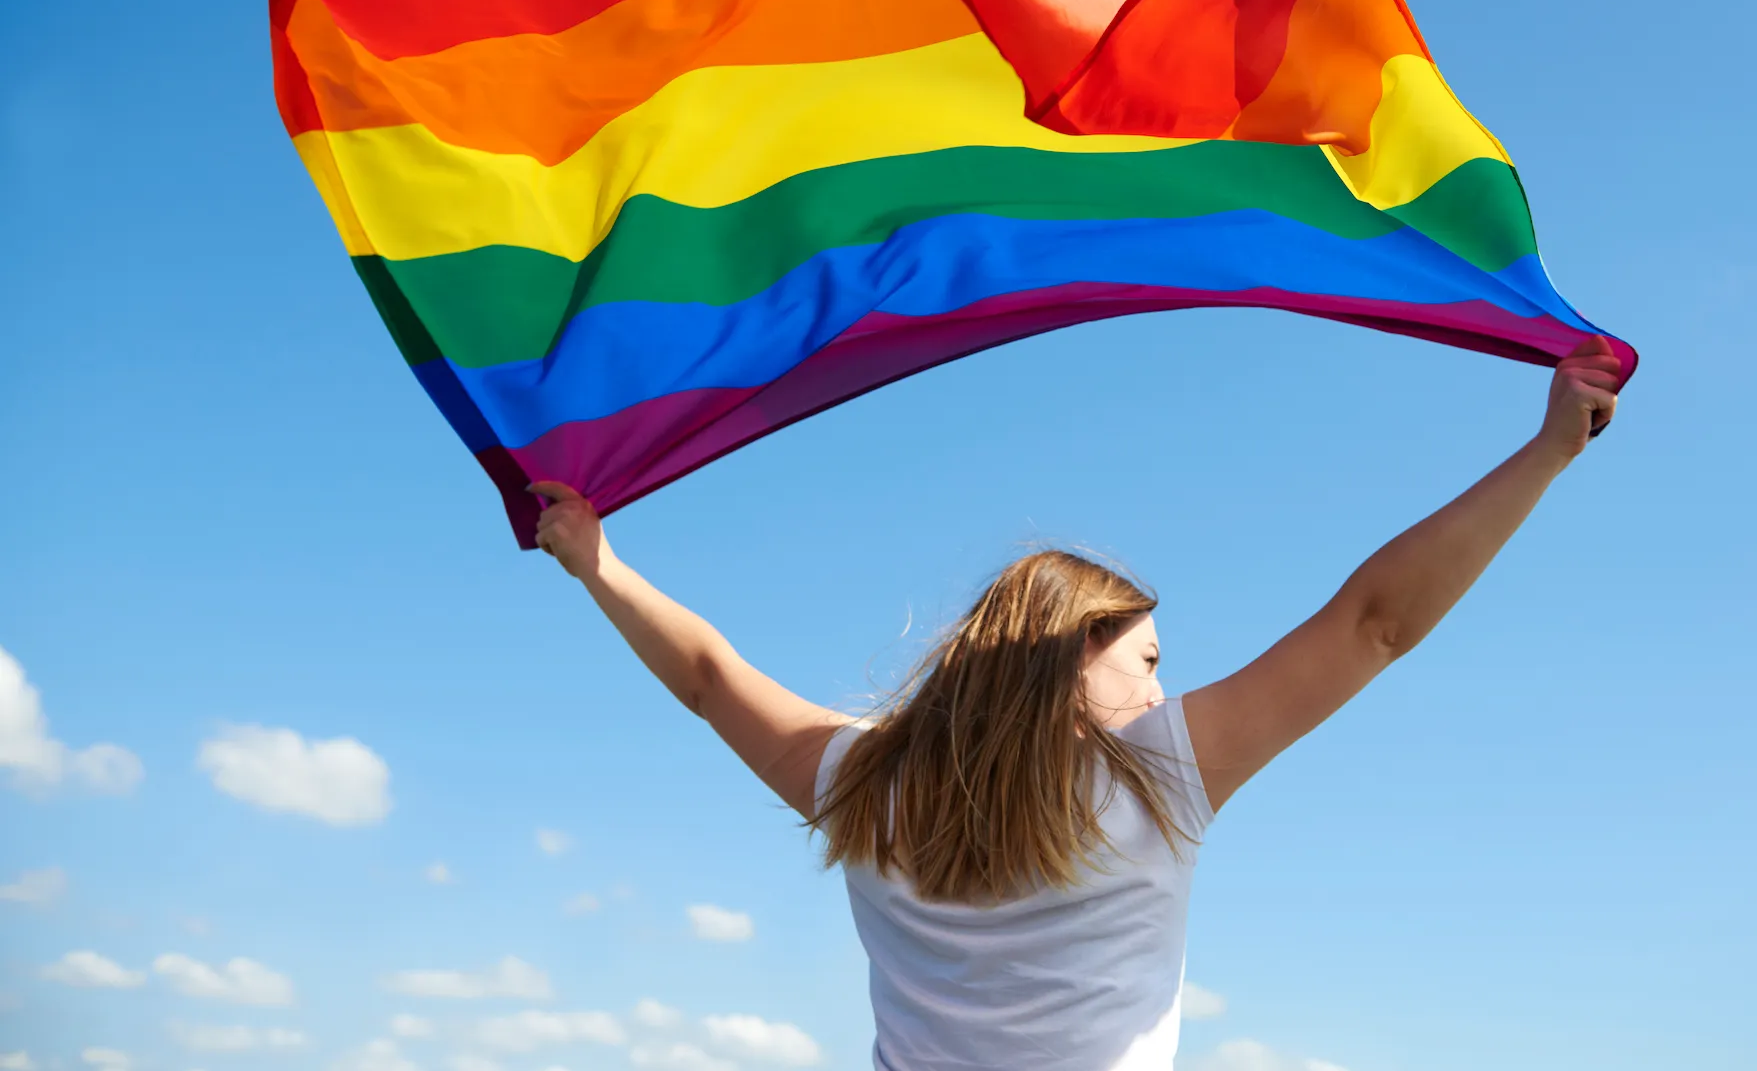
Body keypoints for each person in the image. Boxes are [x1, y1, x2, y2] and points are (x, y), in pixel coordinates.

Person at [528, 335, 1624, 1071]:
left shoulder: (865, 786)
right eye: (1144, 659)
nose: (1159, 687)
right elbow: (1372, 622)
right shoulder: (1157, 775)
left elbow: (709, 679)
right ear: (1068, 660)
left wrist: (598, 565)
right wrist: (1543, 456)